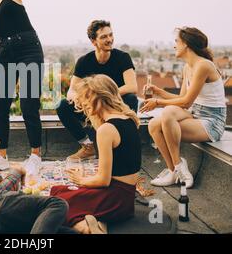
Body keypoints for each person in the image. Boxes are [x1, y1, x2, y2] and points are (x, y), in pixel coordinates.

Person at [0, 0, 83, 171]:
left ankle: (35, 155)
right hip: (5, 51)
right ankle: (0, 155)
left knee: (28, 103)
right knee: (0, 104)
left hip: (28, 48)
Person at [50, 75, 142, 234]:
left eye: (86, 98)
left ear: (99, 97)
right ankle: (99, 221)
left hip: (114, 198)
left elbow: (103, 180)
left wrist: (81, 180)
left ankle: (87, 229)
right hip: (127, 199)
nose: (84, 104)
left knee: (56, 204)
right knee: (59, 190)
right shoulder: (128, 119)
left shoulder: (106, 130)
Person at [141, 27, 226, 188]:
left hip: (212, 122)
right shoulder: (188, 67)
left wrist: (158, 102)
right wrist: (158, 92)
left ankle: (178, 166)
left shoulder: (203, 65)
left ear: (186, 44)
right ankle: (173, 170)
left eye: (176, 41)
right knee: (153, 125)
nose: (174, 46)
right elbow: (181, 99)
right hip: (195, 115)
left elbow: (186, 102)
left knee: (168, 112)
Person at [56, 20, 138, 160]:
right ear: (93, 41)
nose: (110, 39)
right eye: (104, 37)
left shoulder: (123, 57)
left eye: (111, 35)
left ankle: (124, 145)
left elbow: (132, 87)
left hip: (115, 105)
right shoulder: (84, 61)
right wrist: (77, 98)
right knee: (62, 105)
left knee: (131, 99)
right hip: (93, 107)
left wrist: (104, 96)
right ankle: (88, 147)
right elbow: (71, 91)